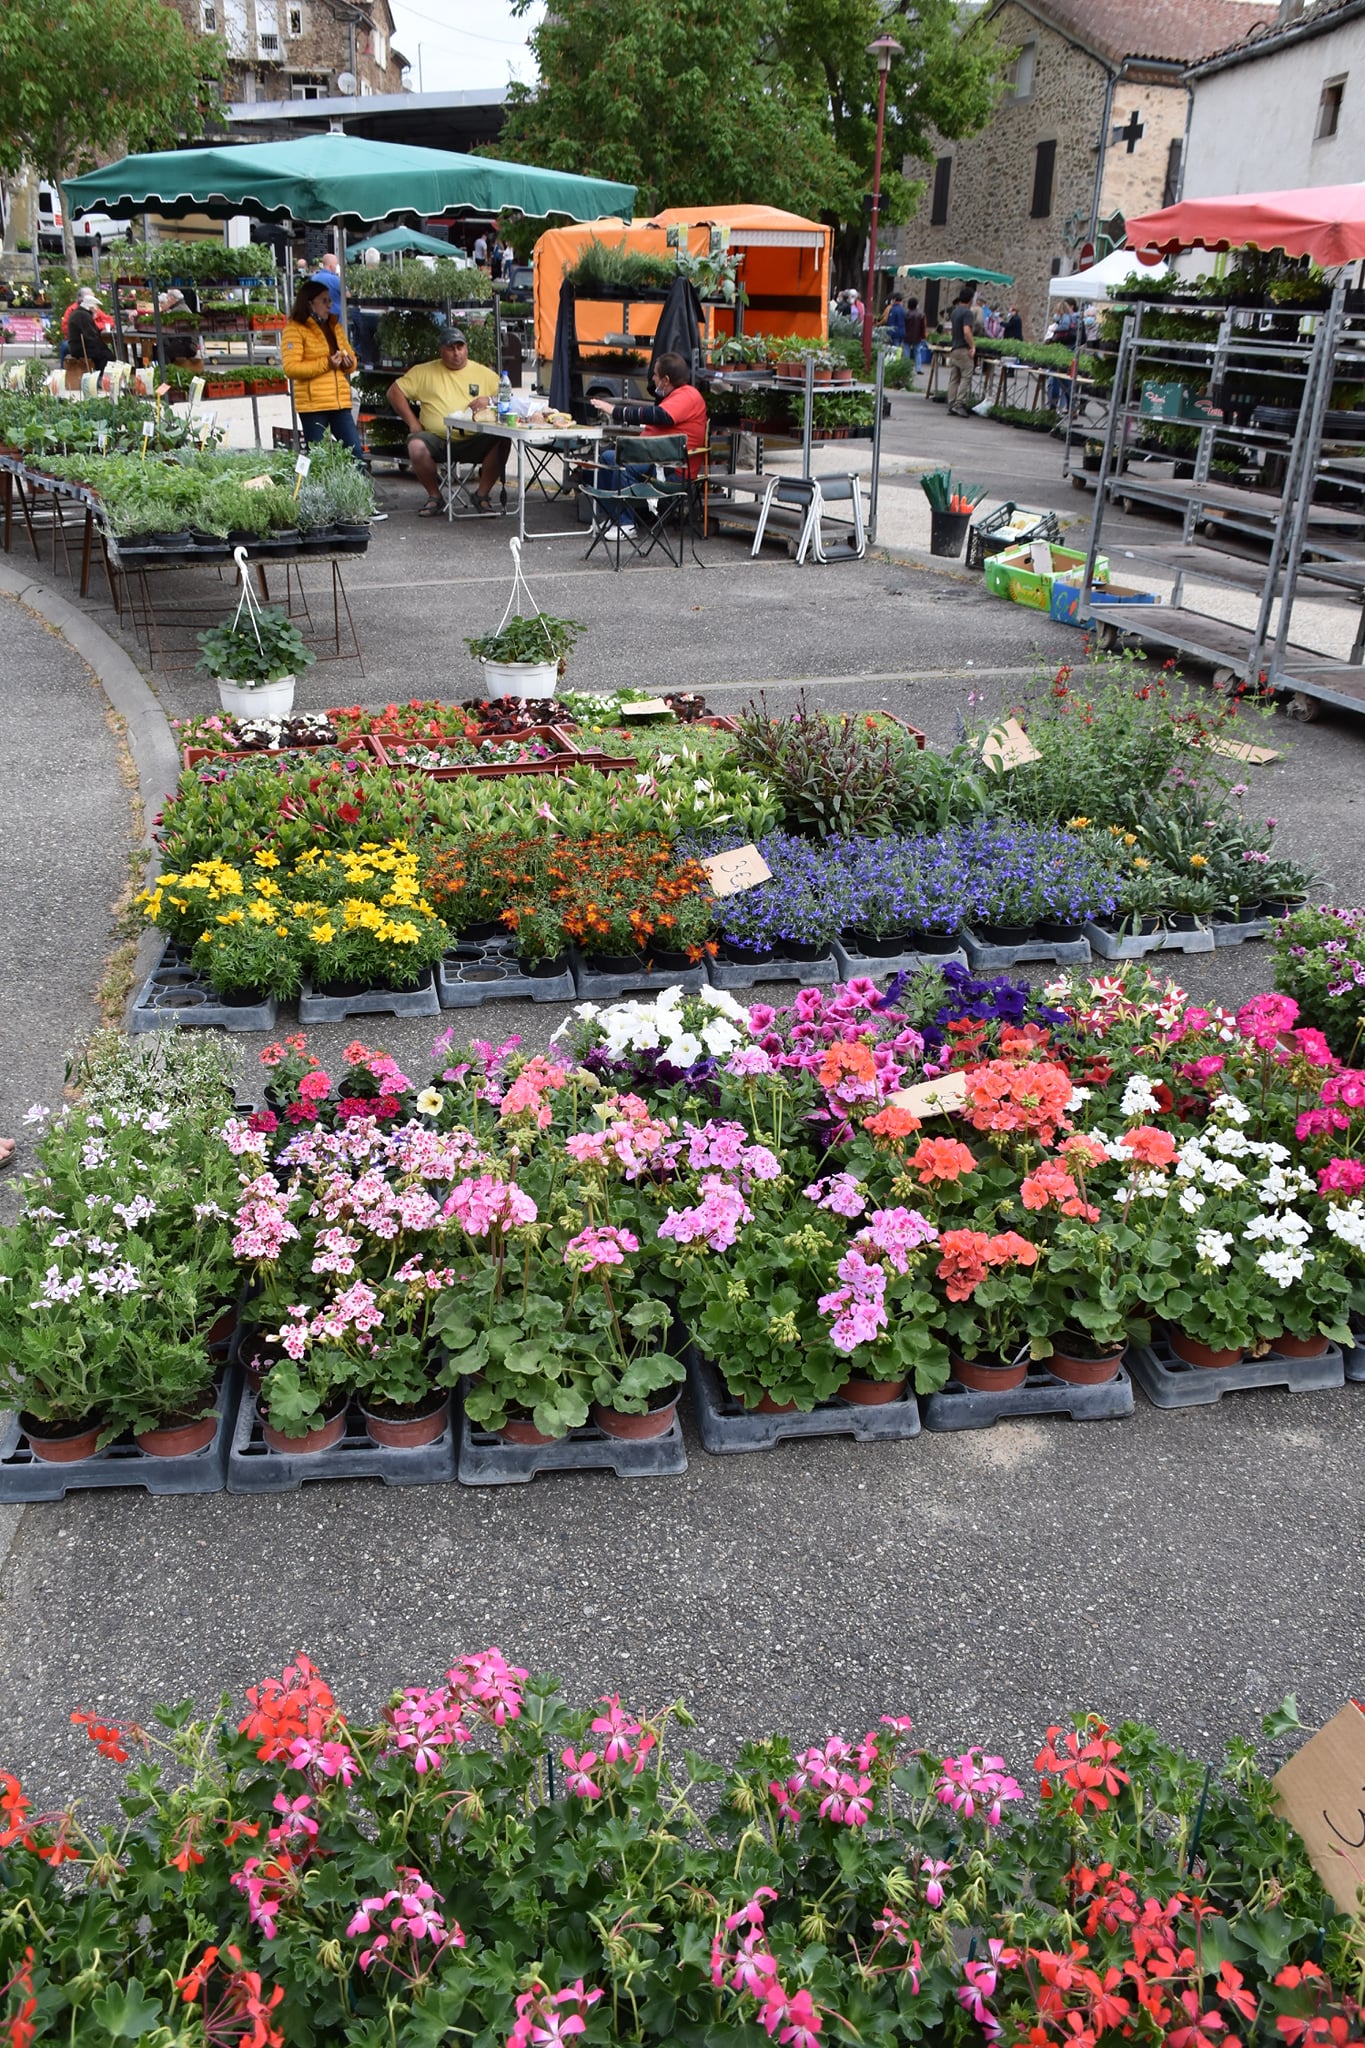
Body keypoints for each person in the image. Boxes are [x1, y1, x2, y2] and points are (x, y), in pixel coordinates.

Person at [385, 322, 509, 516]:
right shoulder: (423, 372)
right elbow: (394, 392)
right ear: (441, 351)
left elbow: (508, 399)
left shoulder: (485, 374)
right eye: (451, 349)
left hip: (475, 438)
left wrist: (490, 399)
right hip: (439, 440)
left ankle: (482, 495)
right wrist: (412, 422)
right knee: (416, 446)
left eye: (460, 347)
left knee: (503, 439)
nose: (457, 353)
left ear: (466, 348)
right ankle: (435, 496)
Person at [588, 350, 708, 533]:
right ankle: (613, 518)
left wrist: (615, 411)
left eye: (655, 375)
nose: (652, 379)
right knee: (605, 459)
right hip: (659, 460)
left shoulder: (688, 396)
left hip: (672, 468)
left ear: (665, 380)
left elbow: (660, 416)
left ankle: (625, 524)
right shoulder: (678, 396)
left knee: (619, 461)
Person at [280, 278, 363, 459]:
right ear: (310, 304)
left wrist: (350, 363)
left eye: (330, 300)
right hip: (313, 405)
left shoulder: (334, 326)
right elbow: (291, 368)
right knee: (318, 457)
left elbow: (350, 355)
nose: (329, 305)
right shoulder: (294, 329)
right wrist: (327, 364)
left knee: (355, 453)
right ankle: (315, 487)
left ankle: (360, 487)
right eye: (324, 301)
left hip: (339, 401)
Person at [65, 288, 112, 378]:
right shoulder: (83, 315)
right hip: (80, 348)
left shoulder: (80, 313)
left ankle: (100, 376)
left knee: (105, 352)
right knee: (105, 355)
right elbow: (91, 337)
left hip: (79, 346)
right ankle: (100, 378)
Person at [946, 286, 976, 416]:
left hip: (954, 347)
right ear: (970, 299)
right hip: (963, 348)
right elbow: (966, 331)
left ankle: (951, 402)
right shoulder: (967, 313)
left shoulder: (955, 311)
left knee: (954, 378)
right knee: (966, 376)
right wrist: (973, 346)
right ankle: (959, 403)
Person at [310, 250, 343, 319]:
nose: (337, 267)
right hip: (335, 318)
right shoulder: (335, 279)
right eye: (336, 265)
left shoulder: (313, 278)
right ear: (331, 266)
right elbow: (347, 295)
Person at [886, 291, 907, 356]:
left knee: (895, 349)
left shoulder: (893, 309)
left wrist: (889, 335)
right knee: (900, 349)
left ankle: (896, 362)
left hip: (895, 333)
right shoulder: (903, 310)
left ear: (894, 299)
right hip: (902, 332)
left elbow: (891, 323)